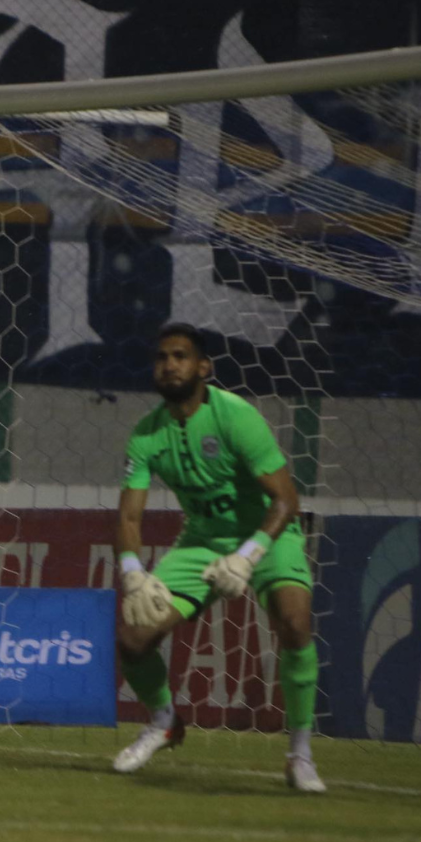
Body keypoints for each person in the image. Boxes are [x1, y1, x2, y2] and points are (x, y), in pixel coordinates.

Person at [114, 322, 324, 792]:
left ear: (203, 367)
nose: (169, 365)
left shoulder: (236, 417)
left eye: (180, 356)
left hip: (268, 535)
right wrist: (132, 573)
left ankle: (300, 754)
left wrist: (247, 558)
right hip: (202, 543)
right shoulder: (146, 435)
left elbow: (286, 500)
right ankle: (164, 722)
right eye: (162, 357)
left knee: (294, 623)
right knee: (133, 638)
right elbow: (129, 516)